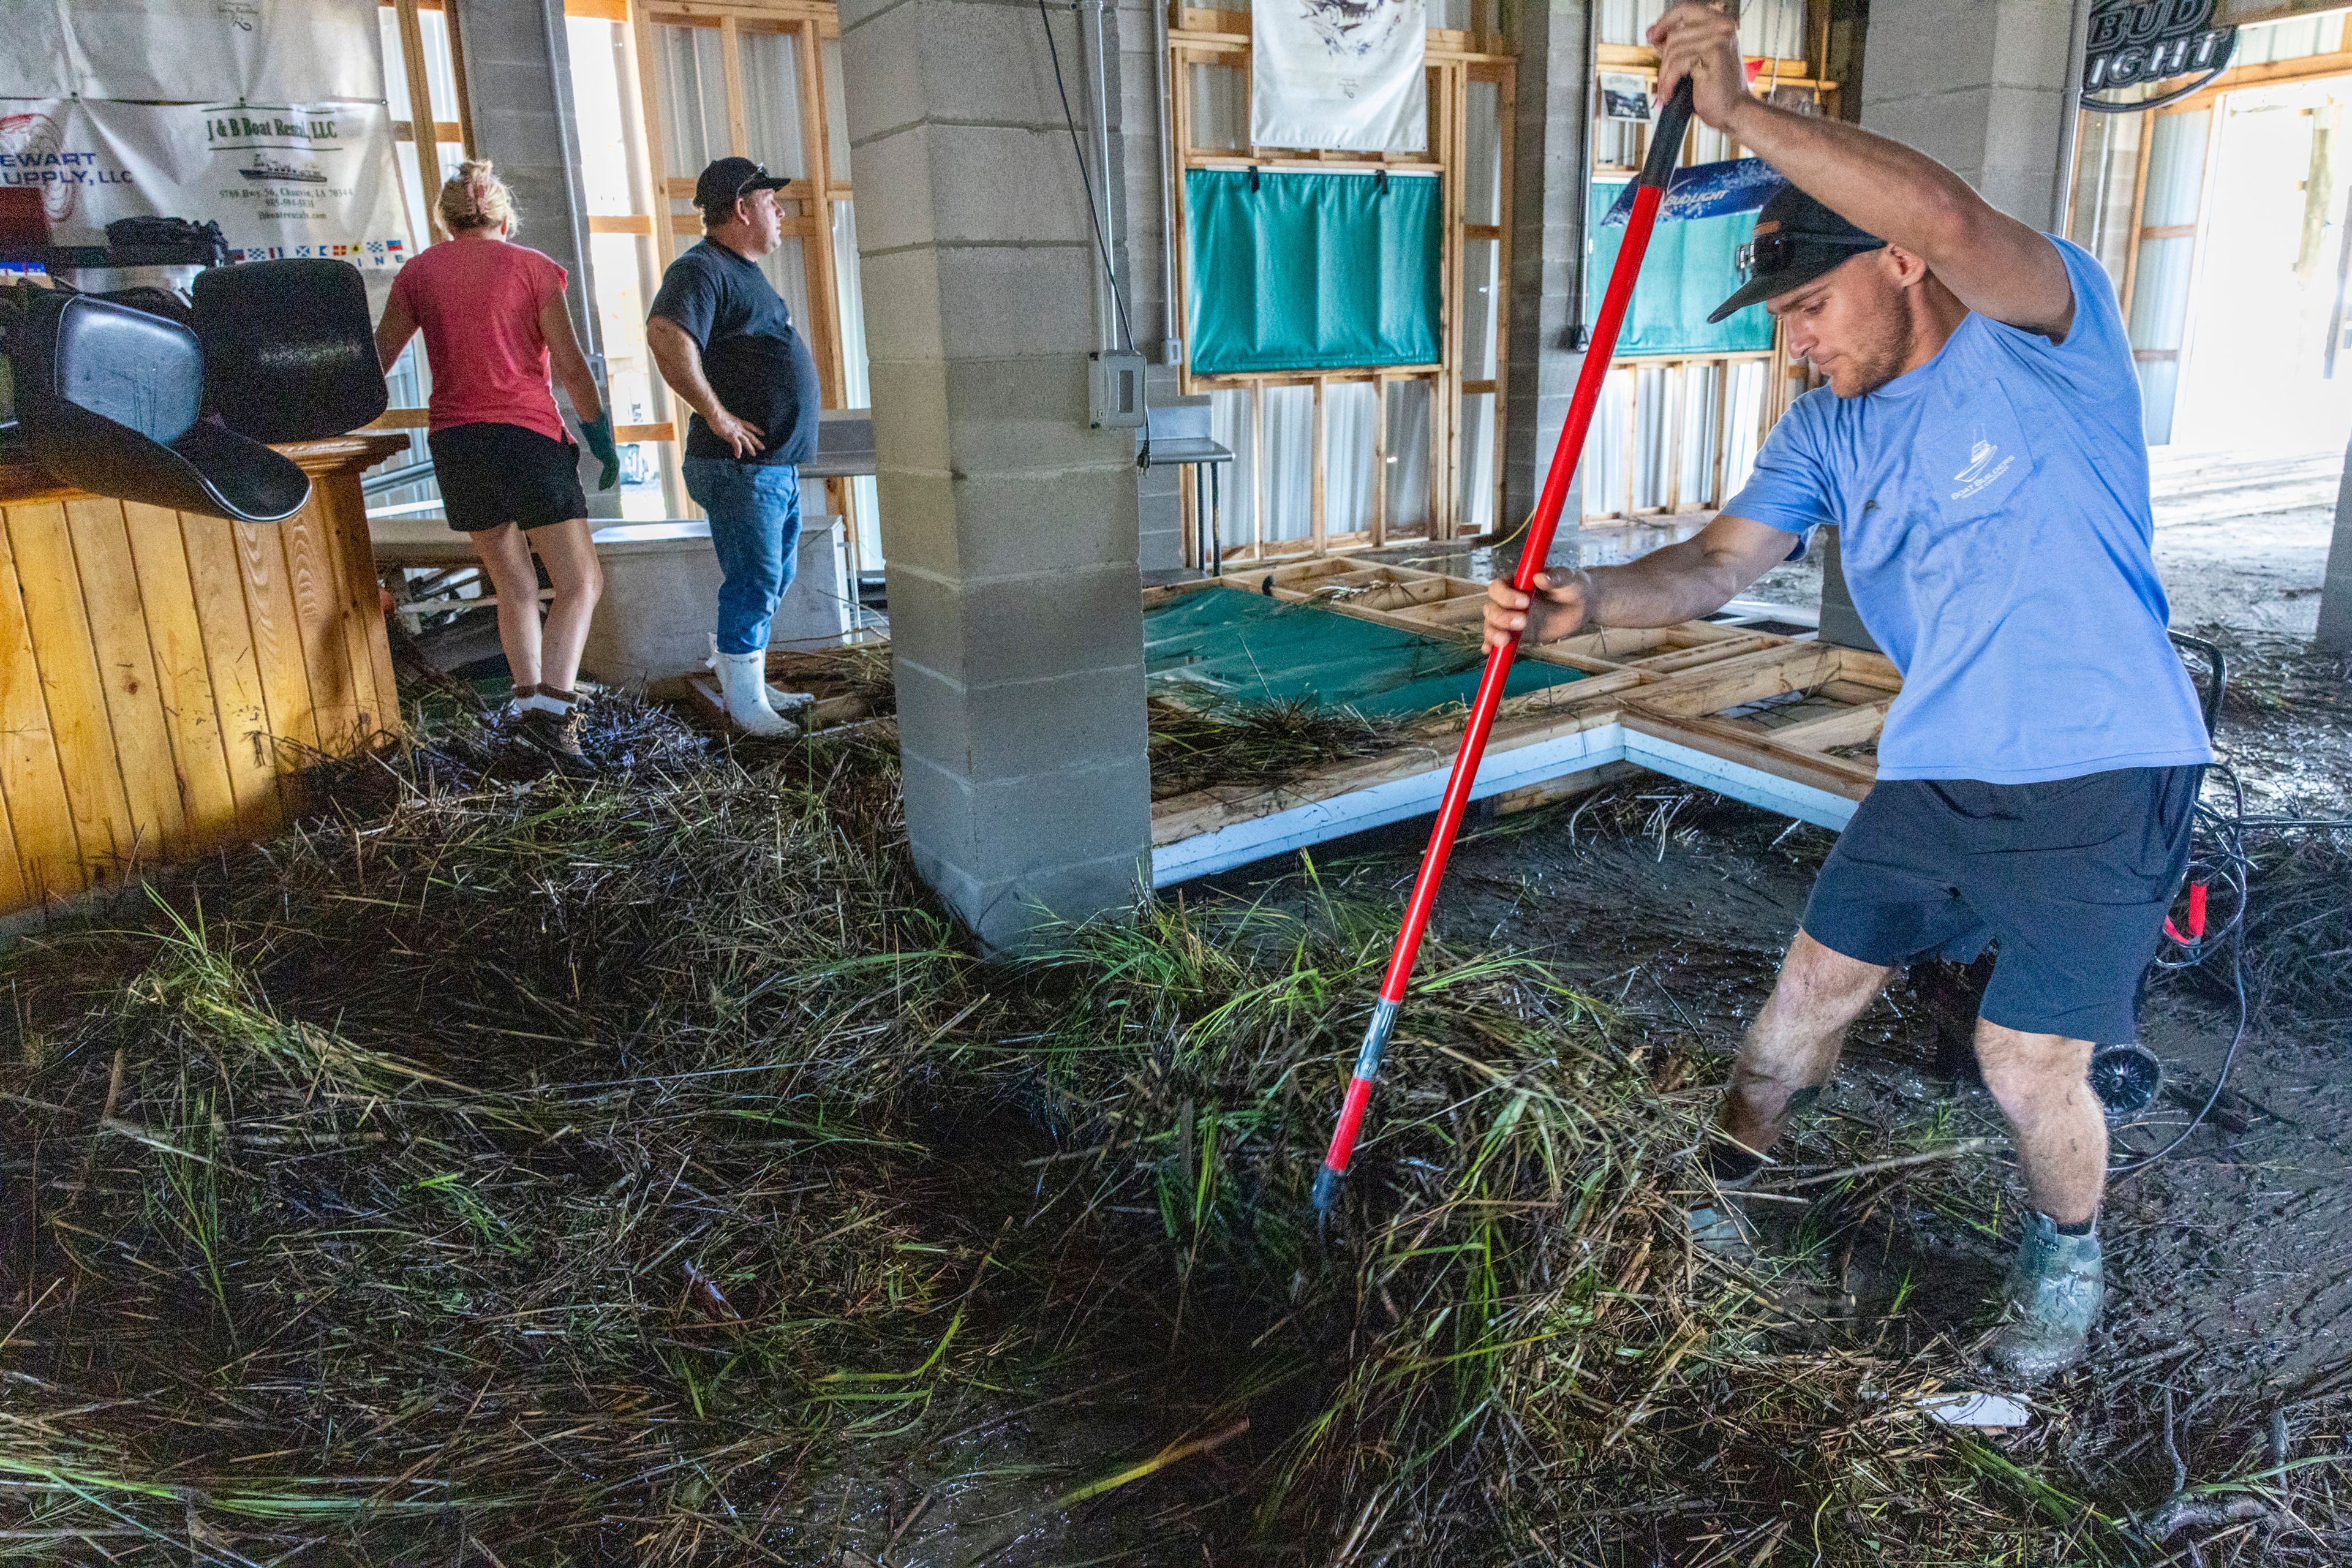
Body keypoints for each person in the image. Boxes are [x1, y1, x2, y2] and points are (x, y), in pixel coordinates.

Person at [1483, 4, 2214, 1382]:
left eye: (1810, 307)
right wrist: (1590, 606)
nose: (1797, 342)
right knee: (1801, 1000)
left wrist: (1745, 118)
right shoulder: (1824, 426)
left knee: (2023, 1060)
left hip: (2104, 766)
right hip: (1938, 768)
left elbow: (1947, 209)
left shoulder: (2044, 335)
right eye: (1782, 320)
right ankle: (1721, 1189)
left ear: (1897, 265)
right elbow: (1711, 564)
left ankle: (2067, 1254)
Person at [374, 159, 621, 775]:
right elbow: (569, 366)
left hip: (458, 445)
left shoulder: (418, 274)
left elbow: (375, 360)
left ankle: (526, 707)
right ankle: (553, 718)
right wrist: (599, 435)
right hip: (525, 438)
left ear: (447, 220)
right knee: (580, 581)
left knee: (510, 583)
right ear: (505, 218)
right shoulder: (534, 269)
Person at [646, 156, 823, 737]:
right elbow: (667, 334)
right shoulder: (701, 270)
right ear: (743, 208)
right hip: (741, 467)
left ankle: (746, 680)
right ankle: (746, 709)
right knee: (754, 579)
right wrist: (717, 416)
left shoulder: (740, 270)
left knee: (772, 577)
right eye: (771, 203)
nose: (779, 213)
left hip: (771, 467)